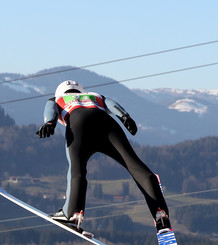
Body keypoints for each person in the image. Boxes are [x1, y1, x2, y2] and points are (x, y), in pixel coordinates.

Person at [36, 80, 171, 234]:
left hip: (78, 124)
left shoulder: (57, 99)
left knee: (77, 170)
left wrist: (49, 123)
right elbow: (112, 104)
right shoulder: (94, 95)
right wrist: (125, 117)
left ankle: (72, 214)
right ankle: (161, 215)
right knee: (135, 166)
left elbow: (50, 110)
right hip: (107, 124)